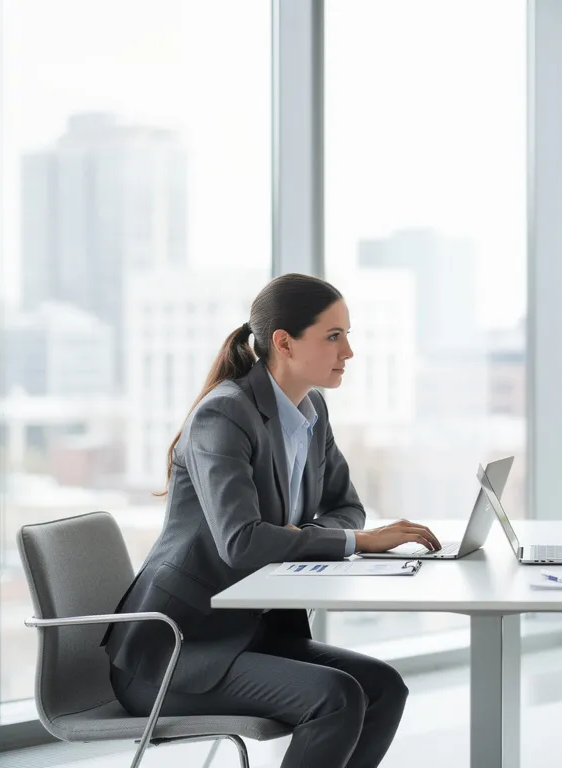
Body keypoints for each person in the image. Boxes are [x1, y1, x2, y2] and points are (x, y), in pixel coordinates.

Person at [102, 273, 441, 768]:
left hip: (248, 634)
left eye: (347, 335)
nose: (348, 352)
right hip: (175, 652)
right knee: (336, 698)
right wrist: (356, 542)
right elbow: (242, 543)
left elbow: (348, 508)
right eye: (333, 336)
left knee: (384, 688)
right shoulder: (224, 415)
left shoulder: (312, 409)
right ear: (284, 342)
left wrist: (324, 535)